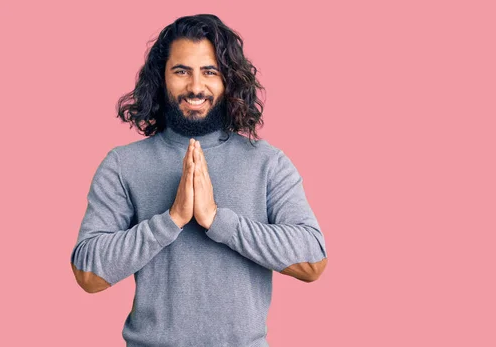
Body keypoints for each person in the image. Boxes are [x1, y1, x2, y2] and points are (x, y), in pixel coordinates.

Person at [69, 14, 328, 347]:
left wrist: (218, 220)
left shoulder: (268, 162)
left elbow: (312, 262)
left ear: (228, 80)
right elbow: (89, 275)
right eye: (181, 71)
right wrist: (171, 220)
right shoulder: (122, 164)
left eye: (210, 71)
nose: (195, 87)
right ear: (161, 79)